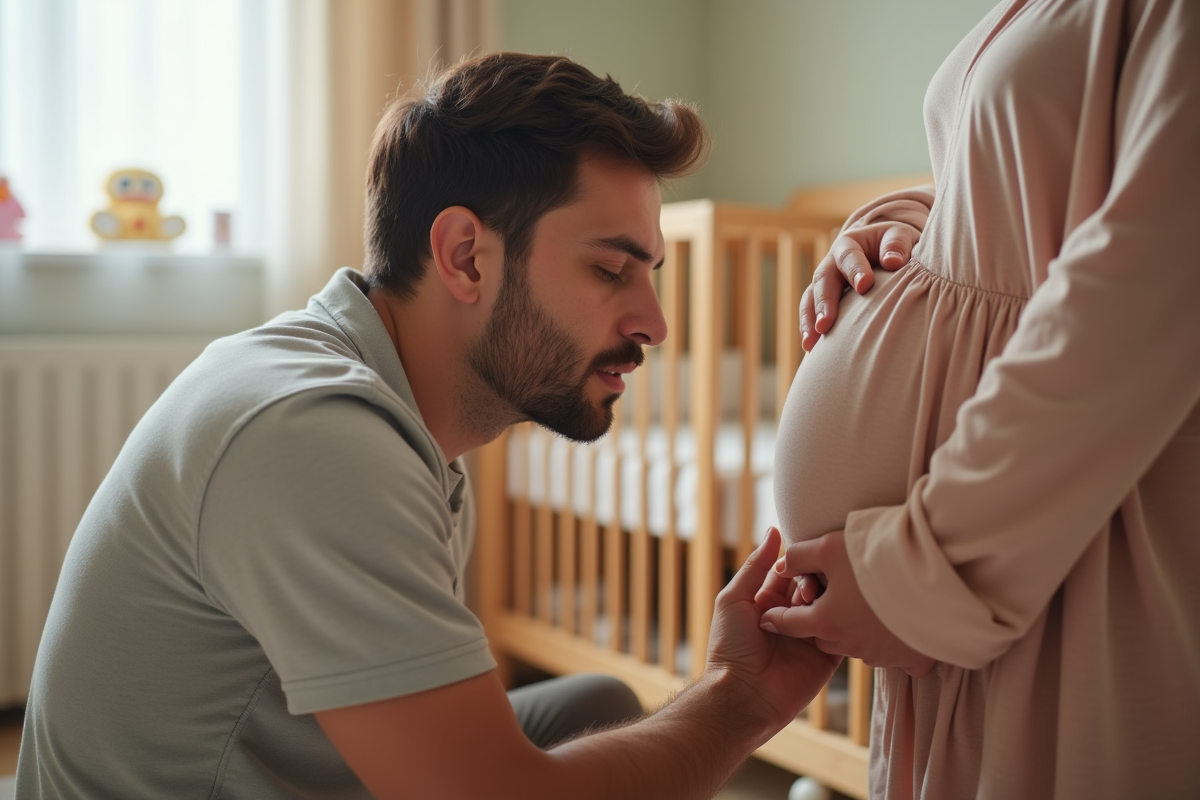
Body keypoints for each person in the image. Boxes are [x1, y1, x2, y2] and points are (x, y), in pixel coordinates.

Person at [16, 53, 840, 799]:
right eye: (609, 270)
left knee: (600, 705)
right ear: (465, 257)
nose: (655, 323)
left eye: (649, 276)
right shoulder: (314, 436)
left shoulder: (379, 411)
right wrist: (744, 700)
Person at [757, 1, 1200, 798]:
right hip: (984, 559)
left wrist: (927, 571)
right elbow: (1031, 189)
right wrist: (902, 224)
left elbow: (1159, 272)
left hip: (1062, 527)